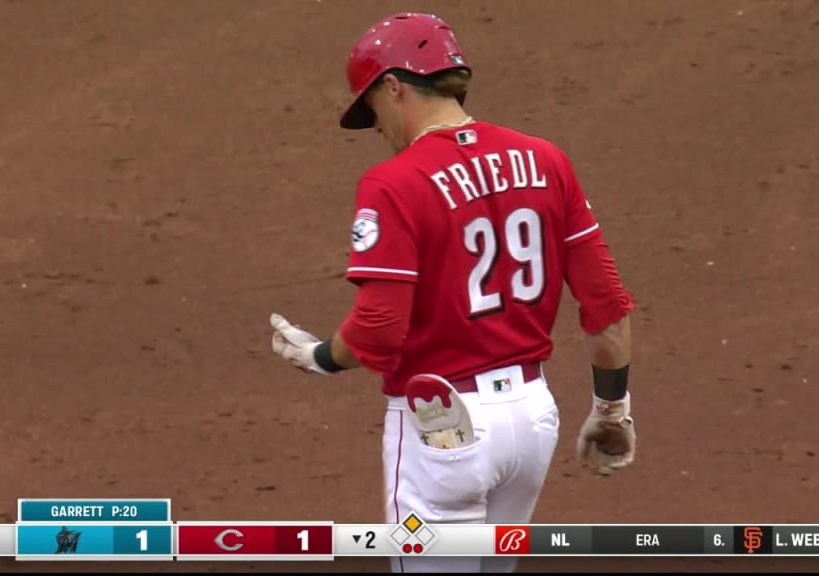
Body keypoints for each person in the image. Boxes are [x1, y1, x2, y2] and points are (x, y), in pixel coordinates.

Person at [269, 12, 636, 573]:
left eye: (372, 109)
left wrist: (320, 357)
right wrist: (613, 409)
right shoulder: (545, 160)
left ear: (393, 87)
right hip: (532, 424)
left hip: (443, 433)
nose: (377, 126)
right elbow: (606, 307)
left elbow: (378, 329)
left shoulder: (394, 183)